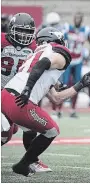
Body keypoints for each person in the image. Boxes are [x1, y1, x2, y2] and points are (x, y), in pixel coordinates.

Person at [1, 27, 90, 177]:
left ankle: (32, 161)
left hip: (5, 96)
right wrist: (27, 89)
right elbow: (43, 64)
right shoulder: (57, 53)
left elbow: (56, 98)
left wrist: (80, 85)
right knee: (52, 130)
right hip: (20, 100)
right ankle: (23, 164)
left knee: (27, 130)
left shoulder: (35, 56)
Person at [1, 13, 53, 173]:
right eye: (20, 31)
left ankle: (31, 160)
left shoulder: (34, 48)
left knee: (29, 127)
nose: (24, 35)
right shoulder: (2, 41)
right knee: (5, 132)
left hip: (16, 93)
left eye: (27, 32)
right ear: (11, 29)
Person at [59, 12, 90, 118]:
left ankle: (73, 109)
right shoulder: (67, 28)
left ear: (82, 19)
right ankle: (59, 109)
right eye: (76, 18)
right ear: (73, 18)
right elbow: (60, 40)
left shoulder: (86, 30)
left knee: (78, 85)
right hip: (68, 60)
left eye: (79, 18)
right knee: (64, 84)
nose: (77, 20)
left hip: (78, 60)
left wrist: (88, 55)